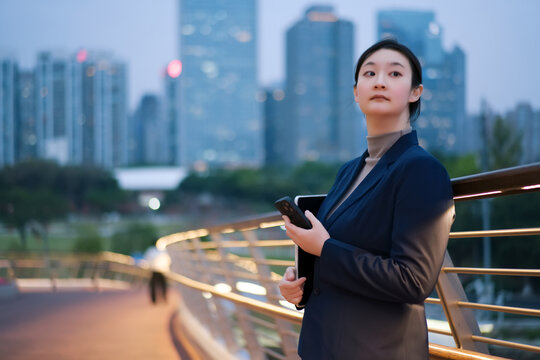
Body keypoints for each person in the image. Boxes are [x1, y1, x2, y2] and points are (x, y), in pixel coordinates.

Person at [278, 39, 455, 360]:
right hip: (323, 347)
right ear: (356, 92)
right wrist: (300, 287)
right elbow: (341, 259)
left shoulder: (421, 170)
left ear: (416, 92)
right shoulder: (348, 171)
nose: (380, 81)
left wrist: (324, 249)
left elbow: (413, 281)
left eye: (395, 74)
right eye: (370, 73)